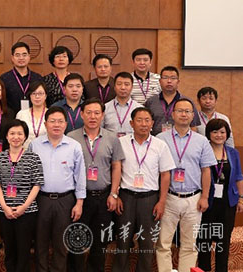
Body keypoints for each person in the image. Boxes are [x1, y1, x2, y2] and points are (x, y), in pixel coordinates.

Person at [155, 98, 217, 272]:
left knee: (189, 244)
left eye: (188, 111)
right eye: (180, 111)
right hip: (169, 197)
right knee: (163, 243)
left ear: (192, 116)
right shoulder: (160, 139)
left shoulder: (202, 141)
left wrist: (205, 197)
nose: (184, 114)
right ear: (173, 114)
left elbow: (206, 171)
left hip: (193, 199)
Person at [112, 107, 175, 272]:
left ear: (152, 123)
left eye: (147, 120)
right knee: (123, 242)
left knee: (147, 243)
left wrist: (162, 201)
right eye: (139, 120)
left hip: (150, 199)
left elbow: (165, 175)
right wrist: (115, 195)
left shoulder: (160, 145)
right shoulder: (121, 142)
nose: (144, 124)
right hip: (126, 197)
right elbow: (116, 169)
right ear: (131, 123)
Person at [67, 99, 124, 272]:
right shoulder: (71, 137)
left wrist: (114, 194)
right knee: (76, 240)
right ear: (82, 114)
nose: (93, 116)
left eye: (97, 113)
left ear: (102, 115)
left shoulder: (112, 138)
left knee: (100, 243)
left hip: (103, 196)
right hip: (78, 198)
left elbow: (116, 166)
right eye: (89, 113)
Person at [30, 106, 86, 272]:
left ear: (66, 124)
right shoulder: (35, 145)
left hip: (65, 200)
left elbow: (80, 176)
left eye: (60, 121)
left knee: (61, 244)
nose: (56, 125)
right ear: (45, 124)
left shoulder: (74, 146)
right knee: (40, 243)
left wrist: (79, 203)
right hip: (41, 199)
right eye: (52, 121)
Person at [0, 119, 43, 272]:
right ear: (6, 136)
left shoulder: (33, 158)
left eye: (20, 134)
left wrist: (24, 207)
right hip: (5, 211)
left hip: (27, 212)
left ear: (25, 136)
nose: (16, 137)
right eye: (12, 133)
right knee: (9, 250)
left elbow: (37, 184)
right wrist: (4, 207)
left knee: (24, 251)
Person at [196, 118, 243, 272]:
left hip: (227, 201)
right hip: (207, 201)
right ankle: (204, 269)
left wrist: (241, 199)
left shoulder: (232, 153)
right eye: (215, 132)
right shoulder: (203, 151)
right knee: (204, 238)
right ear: (208, 134)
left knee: (224, 239)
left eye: (222, 132)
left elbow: (238, 177)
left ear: (227, 134)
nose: (219, 135)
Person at [144, 66, 200, 135]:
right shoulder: (151, 101)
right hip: (156, 140)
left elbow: (193, 126)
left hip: (180, 140)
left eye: (173, 78)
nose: (169, 81)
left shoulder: (187, 102)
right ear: (160, 81)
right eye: (165, 78)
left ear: (178, 82)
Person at [0, 42, 43, 114]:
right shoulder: (4, 78)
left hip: (34, 117)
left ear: (29, 57)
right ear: (12, 58)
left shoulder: (37, 78)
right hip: (11, 117)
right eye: (17, 55)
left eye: (24, 55)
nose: (21, 58)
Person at [102, 72, 143, 137]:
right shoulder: (105, 108)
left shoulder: (140, 109)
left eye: (126, 84)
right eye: (119, 84)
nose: (123, 87)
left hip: (132, 142)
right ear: (114, 87)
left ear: (132, 87)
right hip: (110, 142)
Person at [16, 81, 48, 147]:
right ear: (30, 96)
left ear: (45, 96)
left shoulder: (51, 114)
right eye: (34, 93)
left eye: (40, 93)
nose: (37, 96)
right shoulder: (21, 114)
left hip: (46, 150)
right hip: (25, 151)